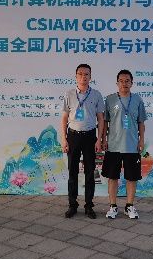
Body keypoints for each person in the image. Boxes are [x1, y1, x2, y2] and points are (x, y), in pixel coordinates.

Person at [101, 69, 147, 219]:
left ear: (132, 83)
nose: (124, 83)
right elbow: (105, 122)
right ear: (117, 83)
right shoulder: (110, 99)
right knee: (112, 177)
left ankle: (129, 206)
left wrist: (141, 140)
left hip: (132, 145)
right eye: (121, 81)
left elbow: (141, 123)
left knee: (132, 177)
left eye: (127, 81)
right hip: (113, 145)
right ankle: (113, 206)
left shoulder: (138, 100)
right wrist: (104, 139)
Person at [61, 64, 105, 219]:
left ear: (90, 77)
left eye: (86, 74)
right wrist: (64, 139)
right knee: (72, 172)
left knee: (90, 173)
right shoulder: (69, 94)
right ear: (76, 76)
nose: (83, 77)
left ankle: (89, 206)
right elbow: (64, 118)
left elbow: (101, 119)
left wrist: (99, 140)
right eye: (80, 74)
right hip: (73, 136)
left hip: (90, 137)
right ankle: (72, 205)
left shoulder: (96, 95)